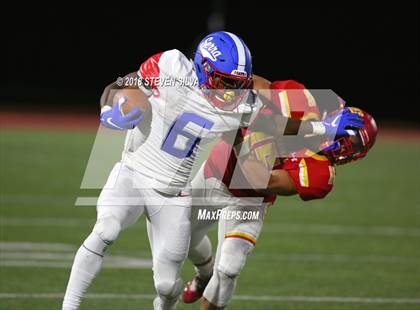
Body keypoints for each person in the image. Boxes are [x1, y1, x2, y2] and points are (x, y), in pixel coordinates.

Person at [63, 32, 363, 310]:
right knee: (106, 230)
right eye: (227, 82)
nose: (234, 91)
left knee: (168, 287)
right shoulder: (172, 68)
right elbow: (120, 83)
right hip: (135, 172)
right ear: (206, 70)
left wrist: (321, 128)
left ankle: (196, 280)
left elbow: (270, 133)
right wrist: (110, 105)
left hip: (177, 195)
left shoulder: (241, 107)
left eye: (239, 83)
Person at [182, 81, 377, 310]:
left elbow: (262, 181)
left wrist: (236, 137)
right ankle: (204, 273)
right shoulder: (302, 102)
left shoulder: (320, 173)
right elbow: (250, 80)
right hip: (217, 172)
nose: (343, 142)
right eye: (347, 132)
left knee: (228, 269)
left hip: (251, 200)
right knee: (183, 234)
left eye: (352, 143)